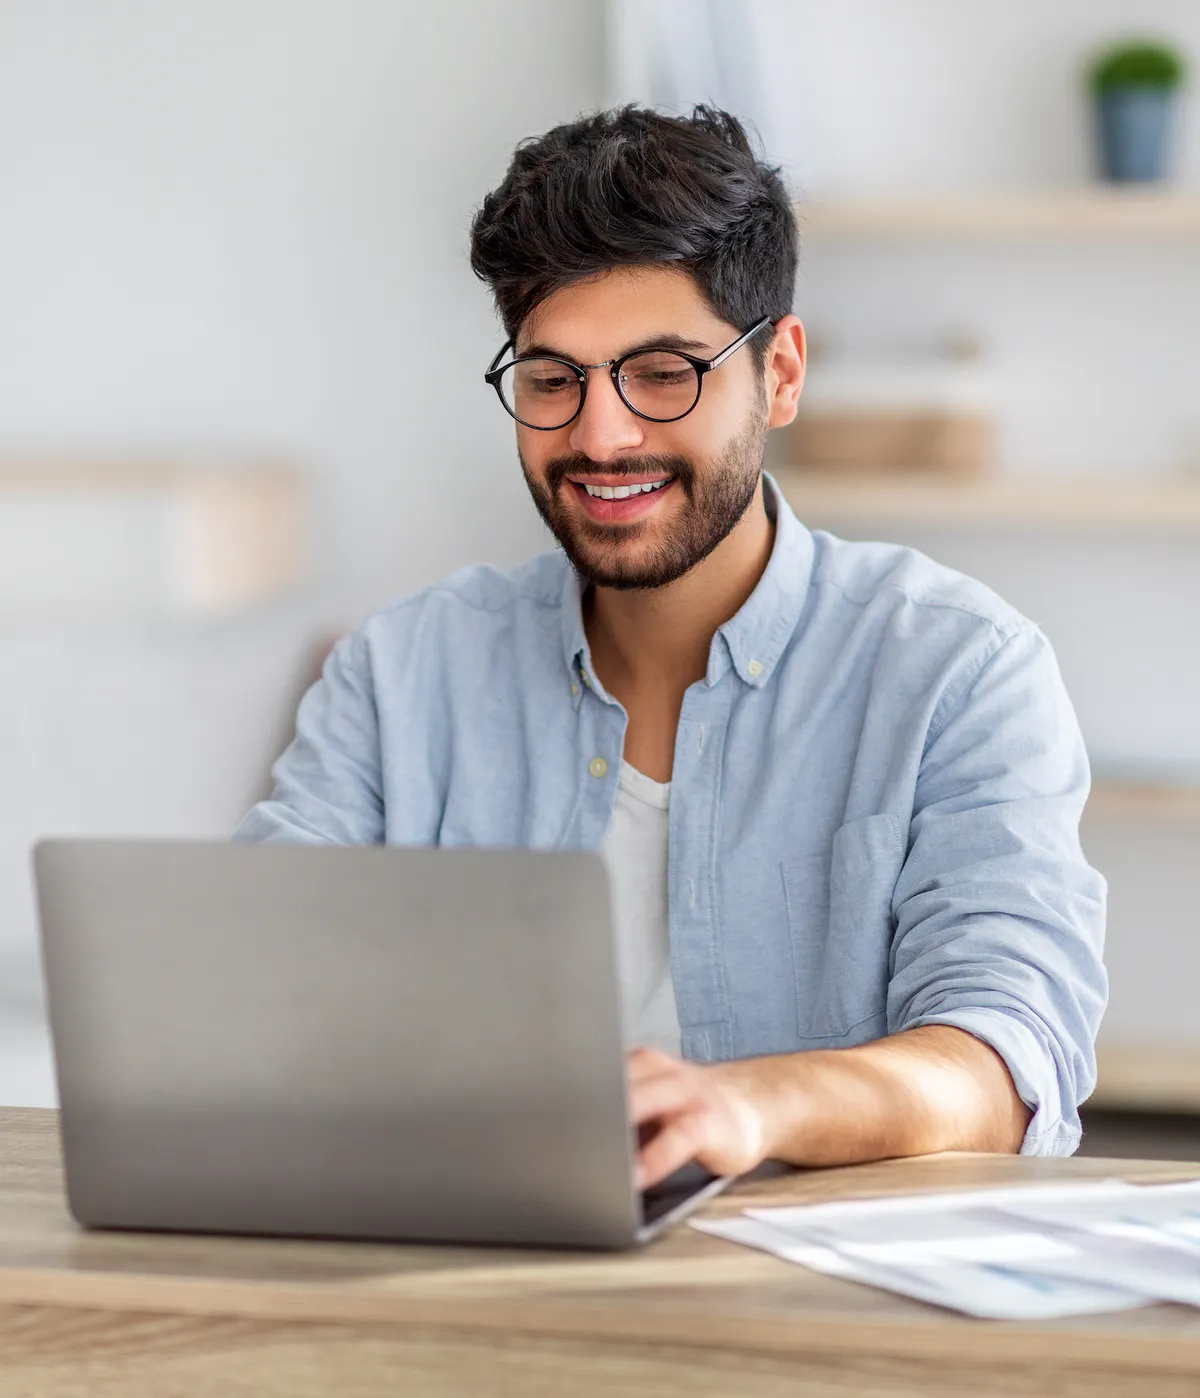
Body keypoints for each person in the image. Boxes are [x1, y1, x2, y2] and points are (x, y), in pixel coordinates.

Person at [236, 106, 1106, 1189]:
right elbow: (254, 989)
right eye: (553, 379)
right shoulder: (402, 673)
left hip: (802, 1274)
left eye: (663, 372)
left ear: (781, 373)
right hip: (471, 1253)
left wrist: (751, 1103)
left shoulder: (959, 669)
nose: (601, 435)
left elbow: (1006, 1063)